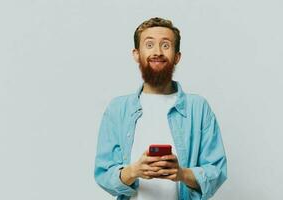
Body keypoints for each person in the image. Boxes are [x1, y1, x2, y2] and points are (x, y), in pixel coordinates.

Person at [94, 17, 227, 200]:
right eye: (149, 45)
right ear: (136, 54)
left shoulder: (198, 108)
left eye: (166, 45)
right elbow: (103, 173)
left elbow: (216, 171)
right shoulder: (118, 109)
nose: (157, 52)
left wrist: (180, 173)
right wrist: (134, 171)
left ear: (177, 56)